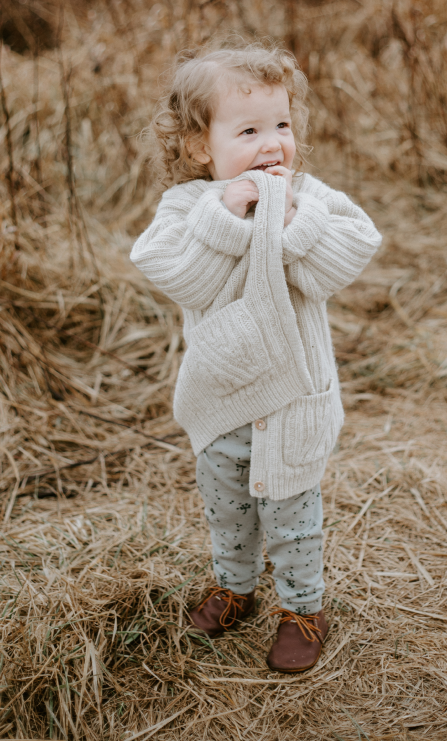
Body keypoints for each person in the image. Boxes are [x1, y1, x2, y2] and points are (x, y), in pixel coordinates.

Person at [130, 45, 381, 673]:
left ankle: (304, 607)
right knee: (229, 509)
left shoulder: (306, 196)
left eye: (282, 125)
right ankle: (234, 586)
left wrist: (293, 220)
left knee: (293, 516)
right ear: (198, 146)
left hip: (292, 400)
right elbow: (177, 273)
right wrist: (228, 216)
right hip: (221, 398)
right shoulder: (190, 208)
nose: (272, 143)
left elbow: (350, 250)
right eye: (248, 130)